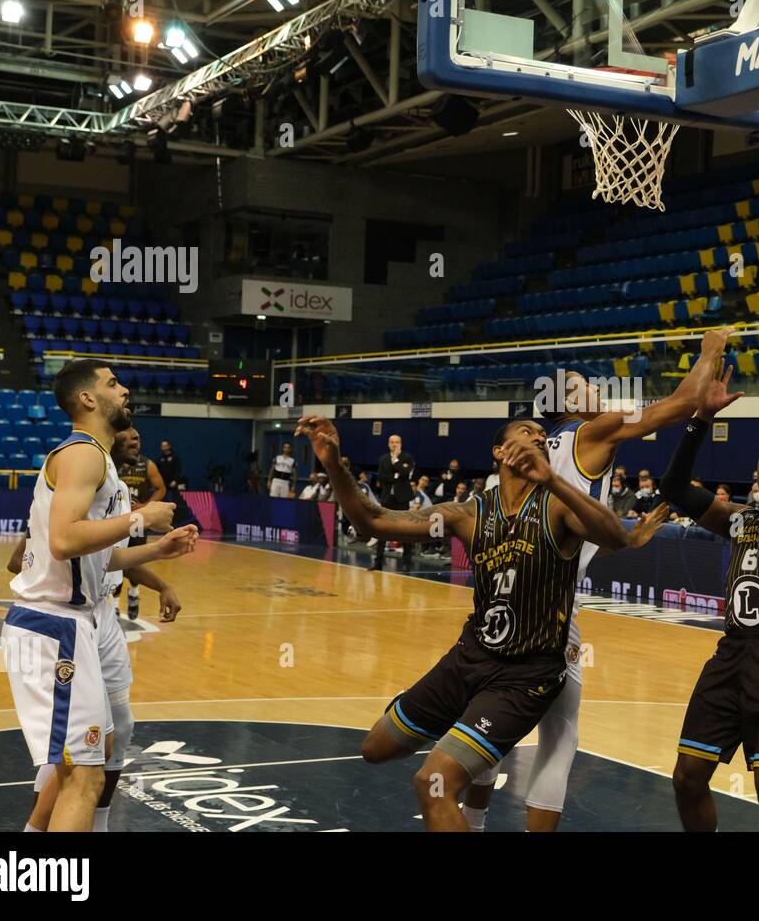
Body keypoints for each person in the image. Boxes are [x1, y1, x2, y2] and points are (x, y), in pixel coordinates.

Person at [295, 415, 631, 831]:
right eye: (527, 432)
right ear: (499, 452)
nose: (539, 438)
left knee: (432, 782)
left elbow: (615, 536)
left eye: (543, 437)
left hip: (525, 676)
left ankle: (473, 746)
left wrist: (555, 481)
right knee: (375, 748)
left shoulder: (559, 506)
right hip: (469, 658)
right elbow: (373, 521)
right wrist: (333, 464)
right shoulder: (466, 515)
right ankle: (463, 727)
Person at [462, 329, 727, 832]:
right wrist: (710, 350)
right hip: (550, 610)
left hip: (497, 603)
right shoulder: (590, 433)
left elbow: (563, 528)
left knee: (492, 722)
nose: (599, 392)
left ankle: (471, 821)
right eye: (586, 387)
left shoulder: (521, 460)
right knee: (560, 736)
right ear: (568, 404)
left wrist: (624, 539)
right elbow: (681, 401)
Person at [1, 359, 197, 832]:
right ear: (88, 399)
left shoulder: (98, 460)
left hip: (72, 624)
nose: (125, 389)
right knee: (84, 776)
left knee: (96, 754)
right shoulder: (83, 454)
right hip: (54, 628)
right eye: (113, 383)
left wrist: (158, 550)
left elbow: (93, 559)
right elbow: (64, 540)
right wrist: (141, 519)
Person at [662, 376, 759, 832]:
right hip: (731, 655)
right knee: (686, 777)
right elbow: (674, 487)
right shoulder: (739, 520)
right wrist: (701, 419)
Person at [114, 427, 167, 619]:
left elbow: (161, 488)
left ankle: (134, 592)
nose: (136, 445)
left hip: (138, 520)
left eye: (138, 441)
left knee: (136, 560)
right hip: (118, 519)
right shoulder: (113, 465)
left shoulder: (147, 464)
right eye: (131, 440)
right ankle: (114, 604)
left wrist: (147, 506)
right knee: (117, 559)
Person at [373, 435, 415, 571]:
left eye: (397, 442)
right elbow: (381, 477)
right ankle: (377, 562)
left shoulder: (407, 457)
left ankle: (406, 563)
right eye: (392, 442)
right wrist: (395, 476)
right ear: (388, 444)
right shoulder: (383, 459)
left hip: (402, 499)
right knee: (382, 531)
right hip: (387, 498)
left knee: (405, 530)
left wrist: (396, 460)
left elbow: (405, 472)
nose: (394, 444)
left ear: (401, 444)